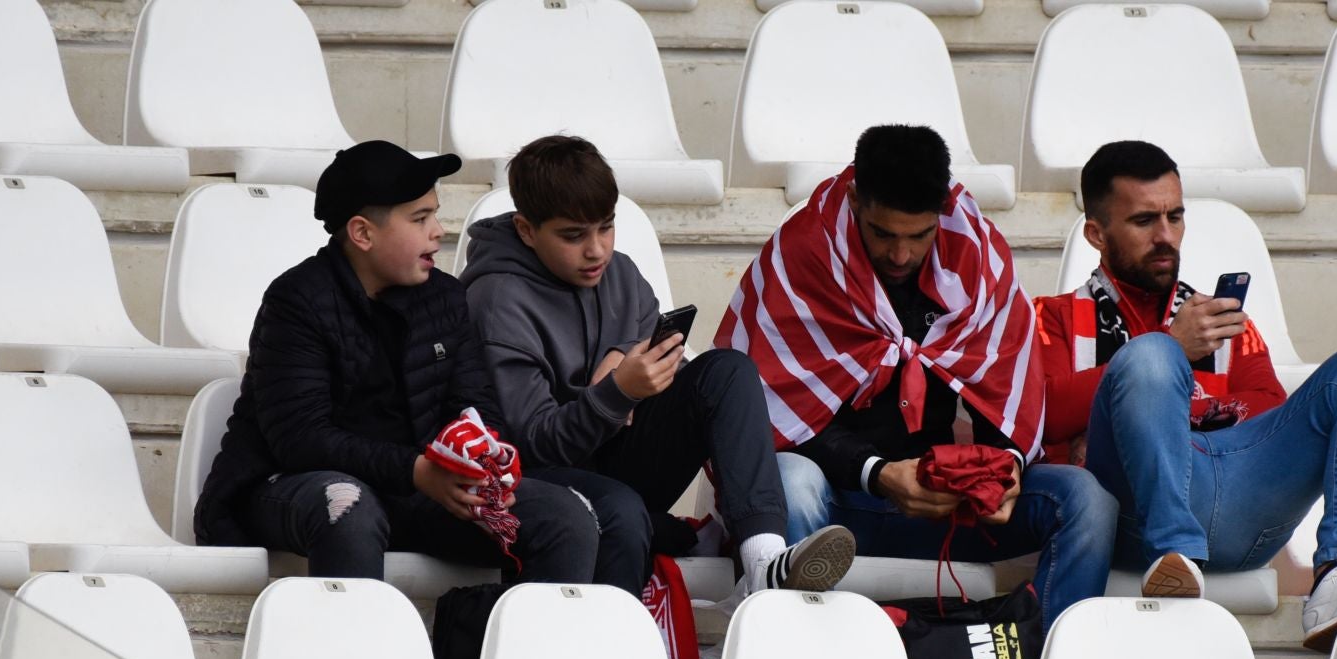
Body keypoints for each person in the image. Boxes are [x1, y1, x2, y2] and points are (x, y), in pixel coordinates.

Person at [718, 125, 1116, 626]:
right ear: (855, 199)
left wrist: (1004, 470)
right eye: (883, 234)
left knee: (1087, 502)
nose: (901, 255)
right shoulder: (802, 255)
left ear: (944, 211)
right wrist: (879, 473)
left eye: (920, 235)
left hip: (943, 503)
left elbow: (1005, 390)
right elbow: (766, 416)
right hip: (836, 504)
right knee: (791, 480)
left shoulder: (978, 257)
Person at [1033, 140, 1337, 650]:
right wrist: (1170, 352)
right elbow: (1038, 416)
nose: (1166, 236)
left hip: (1242, 505)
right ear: (1097, 233)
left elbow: (1270, 412)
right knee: (1150, 358)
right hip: (1132, 525)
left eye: (1176, 216)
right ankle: (1174, 553)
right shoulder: (1047, 316)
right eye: (1145, 221)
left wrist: (1177, 416)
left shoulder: (1224, 319)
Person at [193, 140, 620, 585]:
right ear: (362, 234)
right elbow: (301, 439)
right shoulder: (297, 301)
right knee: (348, 506)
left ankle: (496, 648)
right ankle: (356, 656)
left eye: (435, 214)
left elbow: (476, 407)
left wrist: (476, 462)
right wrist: (417, 471)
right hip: (290, 486)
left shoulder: (446, 298)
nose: (438, 231)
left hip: (414, 488)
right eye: (420, 219)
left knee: (564, 517)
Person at [462, 134, 856, 599]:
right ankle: (667, 558)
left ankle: (763, 560)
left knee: (727, 371)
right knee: (624, 512)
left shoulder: (621, 272)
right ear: (527, 231)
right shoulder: (496, 300)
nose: (596, 250)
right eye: (574, 236)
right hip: (542, 482)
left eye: (606, 227)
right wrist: (617, 392)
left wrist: (619, 352)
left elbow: (657, 347)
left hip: (618, 459)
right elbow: (531, 447)